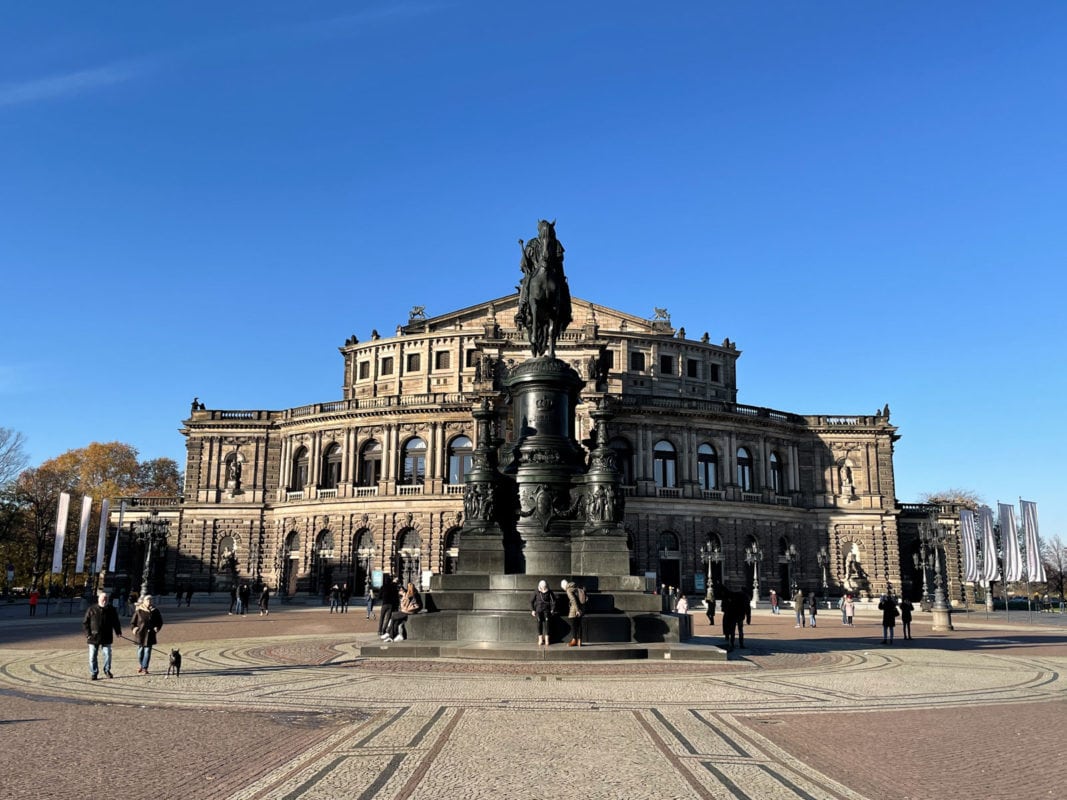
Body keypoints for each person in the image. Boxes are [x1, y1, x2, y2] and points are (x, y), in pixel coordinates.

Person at [83, 591, 121, 680]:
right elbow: (85, 623)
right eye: (103, 599)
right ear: (99, 599)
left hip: (107, 636)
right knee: (92, 656)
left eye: (106, 599)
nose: (104, 600)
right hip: (93, 636)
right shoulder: (91, 609)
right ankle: (94, 673)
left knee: (108, 654)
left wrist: (118, 631)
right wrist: (88, 634)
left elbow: (116, 622)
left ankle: (107, 670)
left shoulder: (111, 609)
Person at [130, 594, 164, 674]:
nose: (149, 602)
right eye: (147, 600)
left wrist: (157, 627)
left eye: (150, 600)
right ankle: (142, 665)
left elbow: (160, 622)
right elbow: (132, 623)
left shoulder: (155, 611)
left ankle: (145, 667)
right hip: (140, 634)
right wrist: (134, 628)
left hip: (150, 634)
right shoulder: (139, 611)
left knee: (147, 651)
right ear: (144, 601)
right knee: (140, 652)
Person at [530, 579, 556, 646]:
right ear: (540, 586)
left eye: (544, 587)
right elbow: (531, 601)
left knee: (547, 623)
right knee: (539, 623)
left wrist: (552, 609)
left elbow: (553, 601)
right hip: (538, 610)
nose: (543, 588)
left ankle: (547, 639)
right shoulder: (536, 591)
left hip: (546, 610)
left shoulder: (549, 592)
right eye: (542, 587)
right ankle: (540, 639)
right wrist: (533, 610)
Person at [561, 579, 584, 647]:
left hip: (574, 610)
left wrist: (577, 610)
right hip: (581, 608)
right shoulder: (574, 587)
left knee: (574, 625)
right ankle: (580, 641)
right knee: (579, 625)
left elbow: (573, 600)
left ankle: (574, 640)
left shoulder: (568, 590)